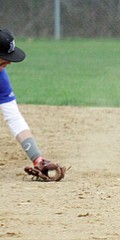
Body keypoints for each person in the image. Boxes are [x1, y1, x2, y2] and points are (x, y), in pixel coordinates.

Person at [0, 28, 66, 181]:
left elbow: (14, 117)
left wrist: (37, 158)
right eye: (3, 57)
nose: (9, 61)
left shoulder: (1, 77)